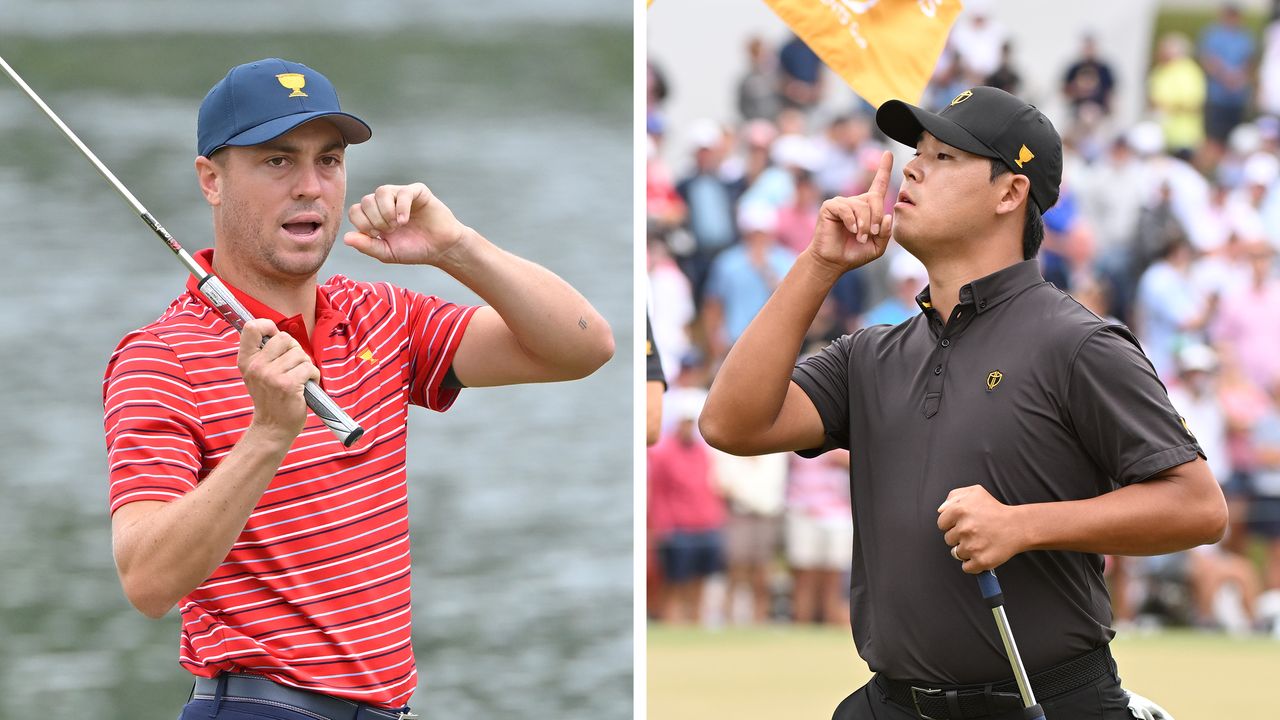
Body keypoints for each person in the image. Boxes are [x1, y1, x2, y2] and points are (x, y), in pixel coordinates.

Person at [103, 58, 614, 719]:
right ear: (212, 180)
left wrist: (456, 248)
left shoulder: (383, 314)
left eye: (330, 160)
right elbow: (146, 579)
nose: (311, 187)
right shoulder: (160, 358)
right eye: (278, 162)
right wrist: (267, 437)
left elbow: (582, 345)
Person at [699, 86, 1226, 719]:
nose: (913, 168)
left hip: (1047, 702)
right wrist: (819, 264)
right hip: (891, 704)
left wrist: (1022, 525)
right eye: (917, 152)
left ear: (1011, 193)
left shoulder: (1078, 342)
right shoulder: (869, 353)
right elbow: (729, 422)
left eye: (946, 158)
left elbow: (1198, 506)